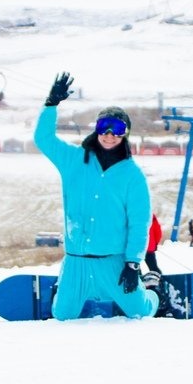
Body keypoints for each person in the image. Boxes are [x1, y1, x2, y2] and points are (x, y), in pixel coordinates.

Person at [35, 72, 161, 320]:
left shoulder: (132, 175)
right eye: (105, 127)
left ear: (125, 134)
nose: (110, 134)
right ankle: (64, 285)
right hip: (77, 261)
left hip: (114, 262)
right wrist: (51, 104)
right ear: (97, 128)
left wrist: (133, 262)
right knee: (62, 316)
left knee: (141, 312)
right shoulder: (73, 160)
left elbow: (139, 223)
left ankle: (154, 287)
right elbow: (43, 139)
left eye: (118, 129)